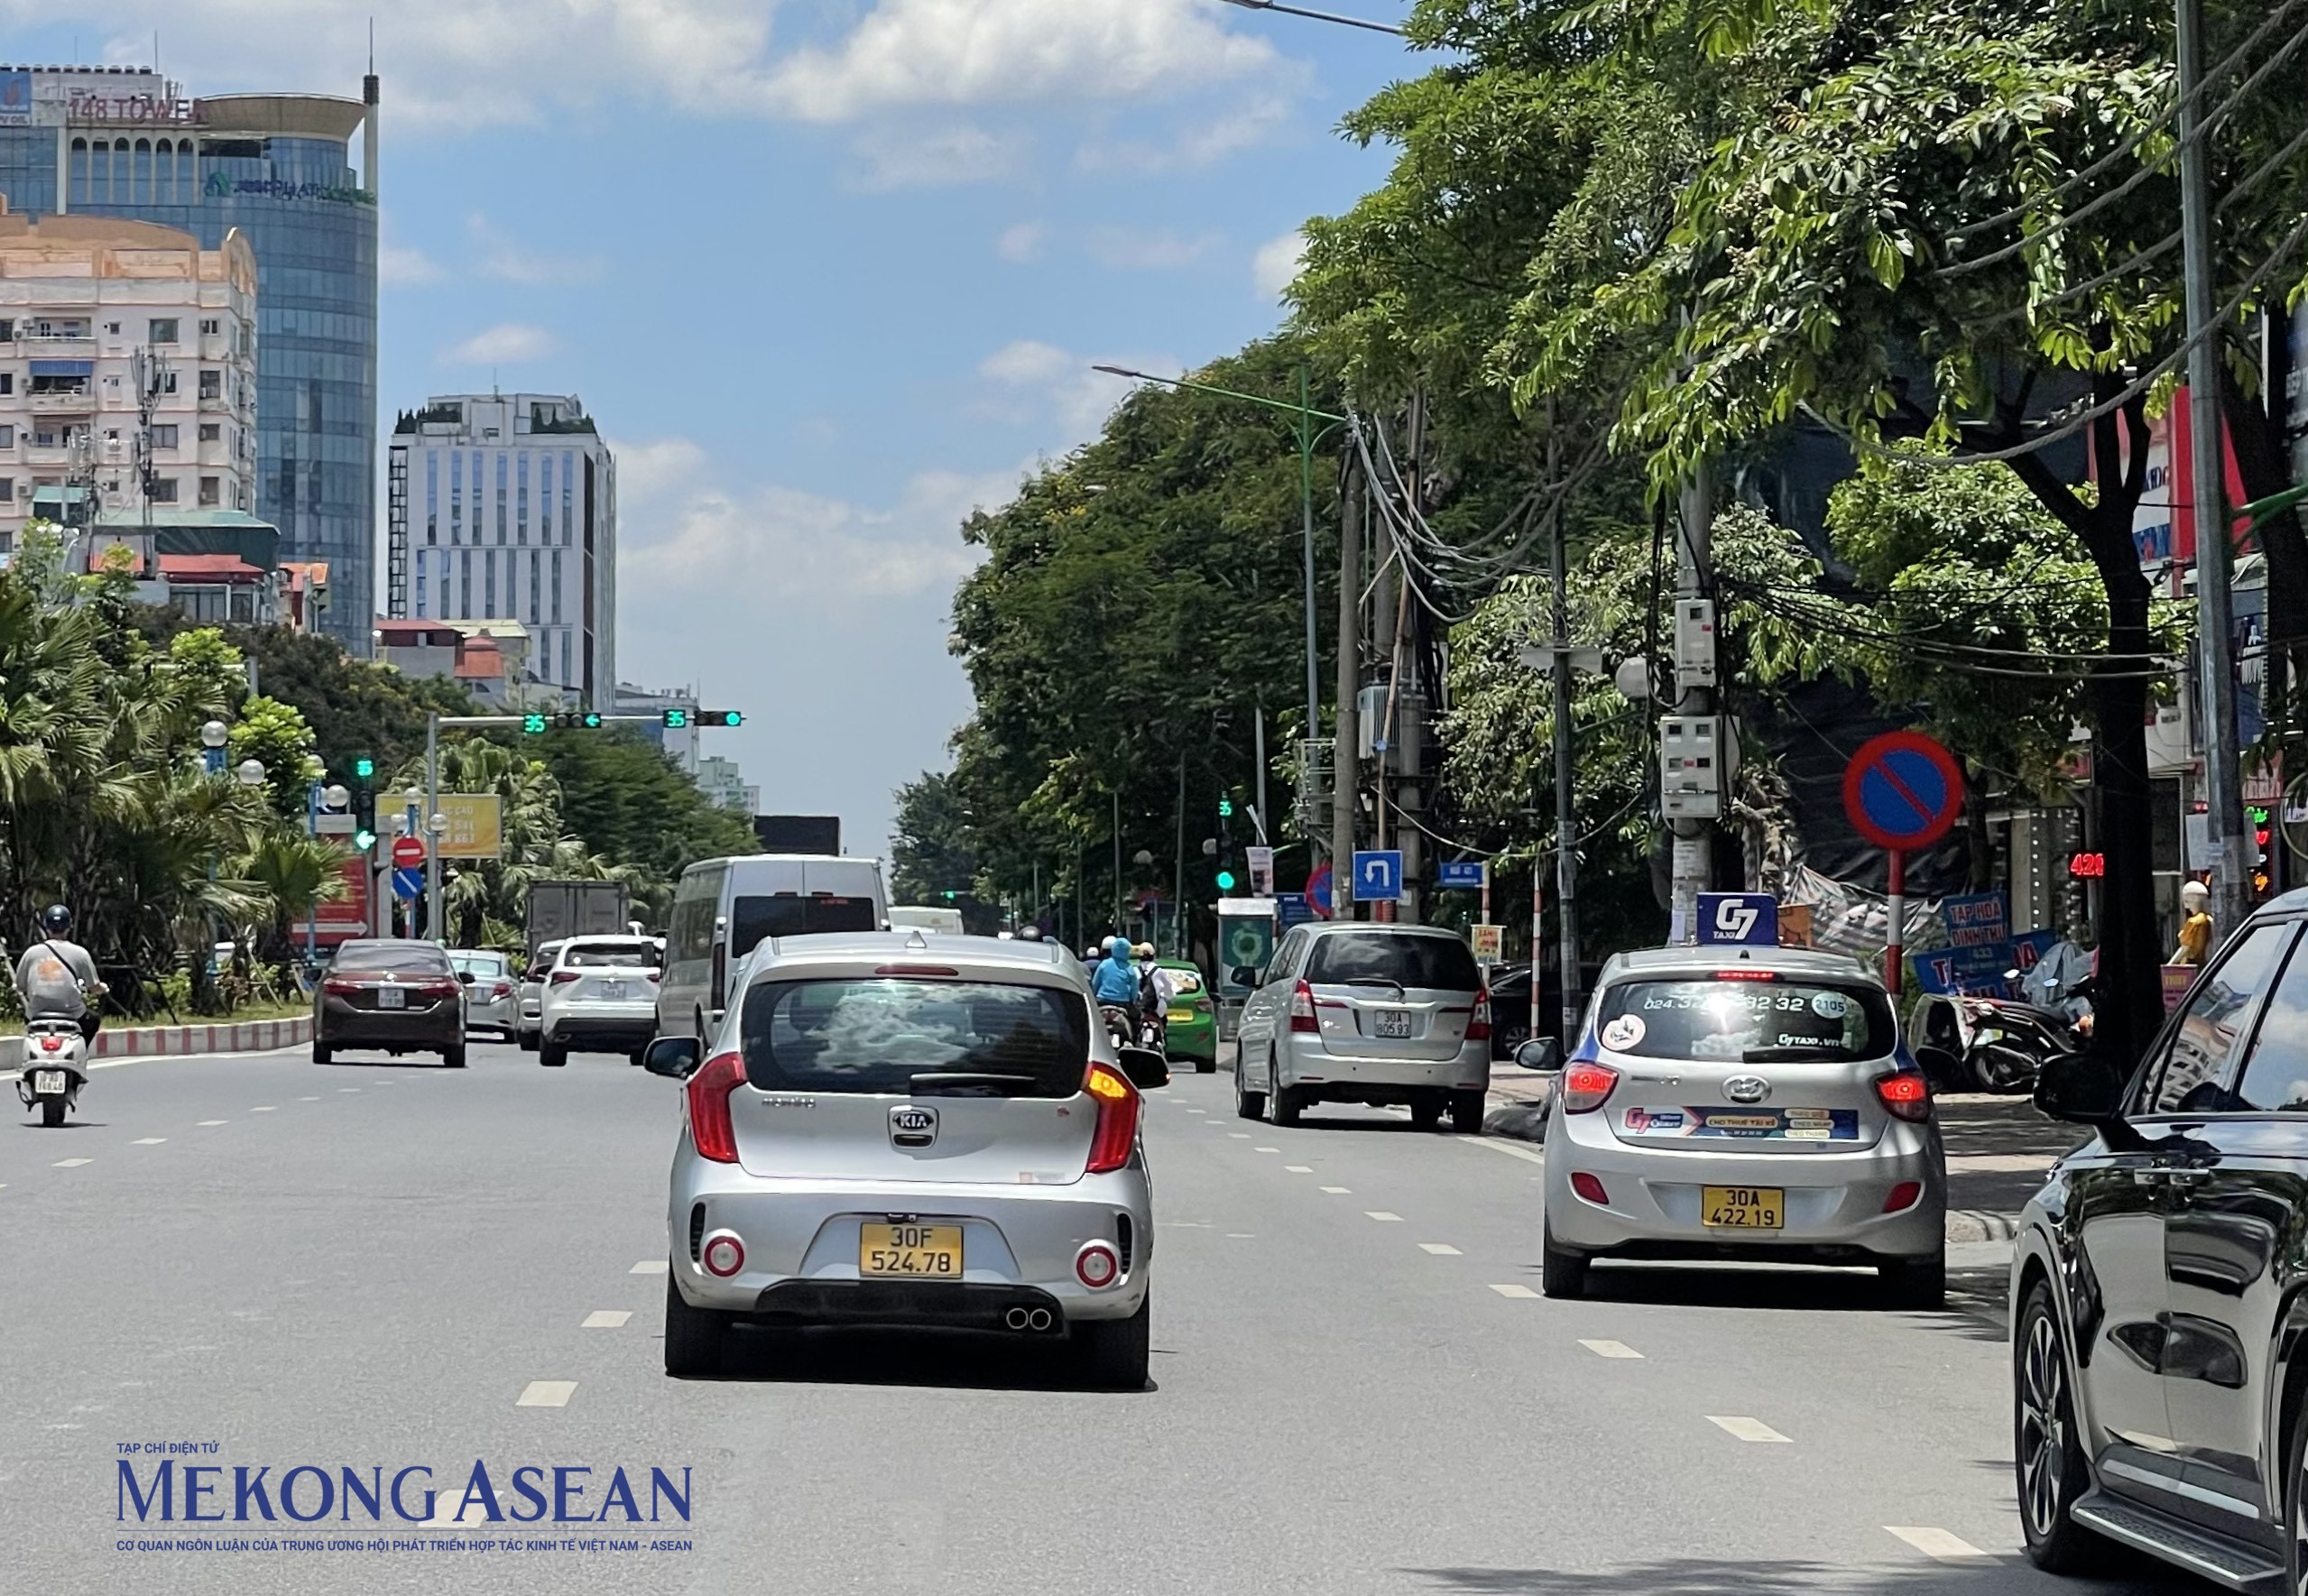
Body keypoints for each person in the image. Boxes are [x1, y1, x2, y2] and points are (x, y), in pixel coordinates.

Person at [14, 904, 106, 1044]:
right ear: (69, 927)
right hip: (72, 1014)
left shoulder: (31, 953)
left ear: (46, 927)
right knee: (92, 1021)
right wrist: (103, 989)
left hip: (36, 1014)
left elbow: (20, 986)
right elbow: (94, 987)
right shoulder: (80, 953)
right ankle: (80, 1054)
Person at [1090, 936, 1142, 1036]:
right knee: (1137, 1019)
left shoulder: (1104, 964)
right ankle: (1135, 1043)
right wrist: (1133, 1000)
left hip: (1102, 1001)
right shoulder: (1129, 967)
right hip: (1123, 1004)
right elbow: (1134, 988)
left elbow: (1094, 985)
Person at [1133, 942, 1176, 1048]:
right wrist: (1171, 997)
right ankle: (1162, 1039)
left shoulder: (1134, 970)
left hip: (1139, 1009)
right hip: (1156, 1010)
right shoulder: (1159, 971)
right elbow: (1168, 989)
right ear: (1153, 955)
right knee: (1163, 1020)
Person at [2174, 880, 2215, 966]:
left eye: (2186, 900)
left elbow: (2185, 948)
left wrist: (2170, 965)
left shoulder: (2194, 921)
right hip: (2206, 964)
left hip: (2190, 965)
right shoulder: (2209, 919)